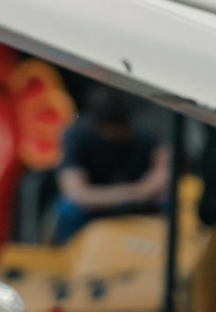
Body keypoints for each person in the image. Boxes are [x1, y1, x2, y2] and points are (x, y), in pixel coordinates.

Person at [54, 87, 171, 239]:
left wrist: (150, 187)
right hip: (95, 209)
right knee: (68, 210)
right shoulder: (76, 136)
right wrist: (134, 193)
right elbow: (76, 193)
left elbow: (164, 173)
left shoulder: (144, 138)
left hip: (136, 208)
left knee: (170, 206)